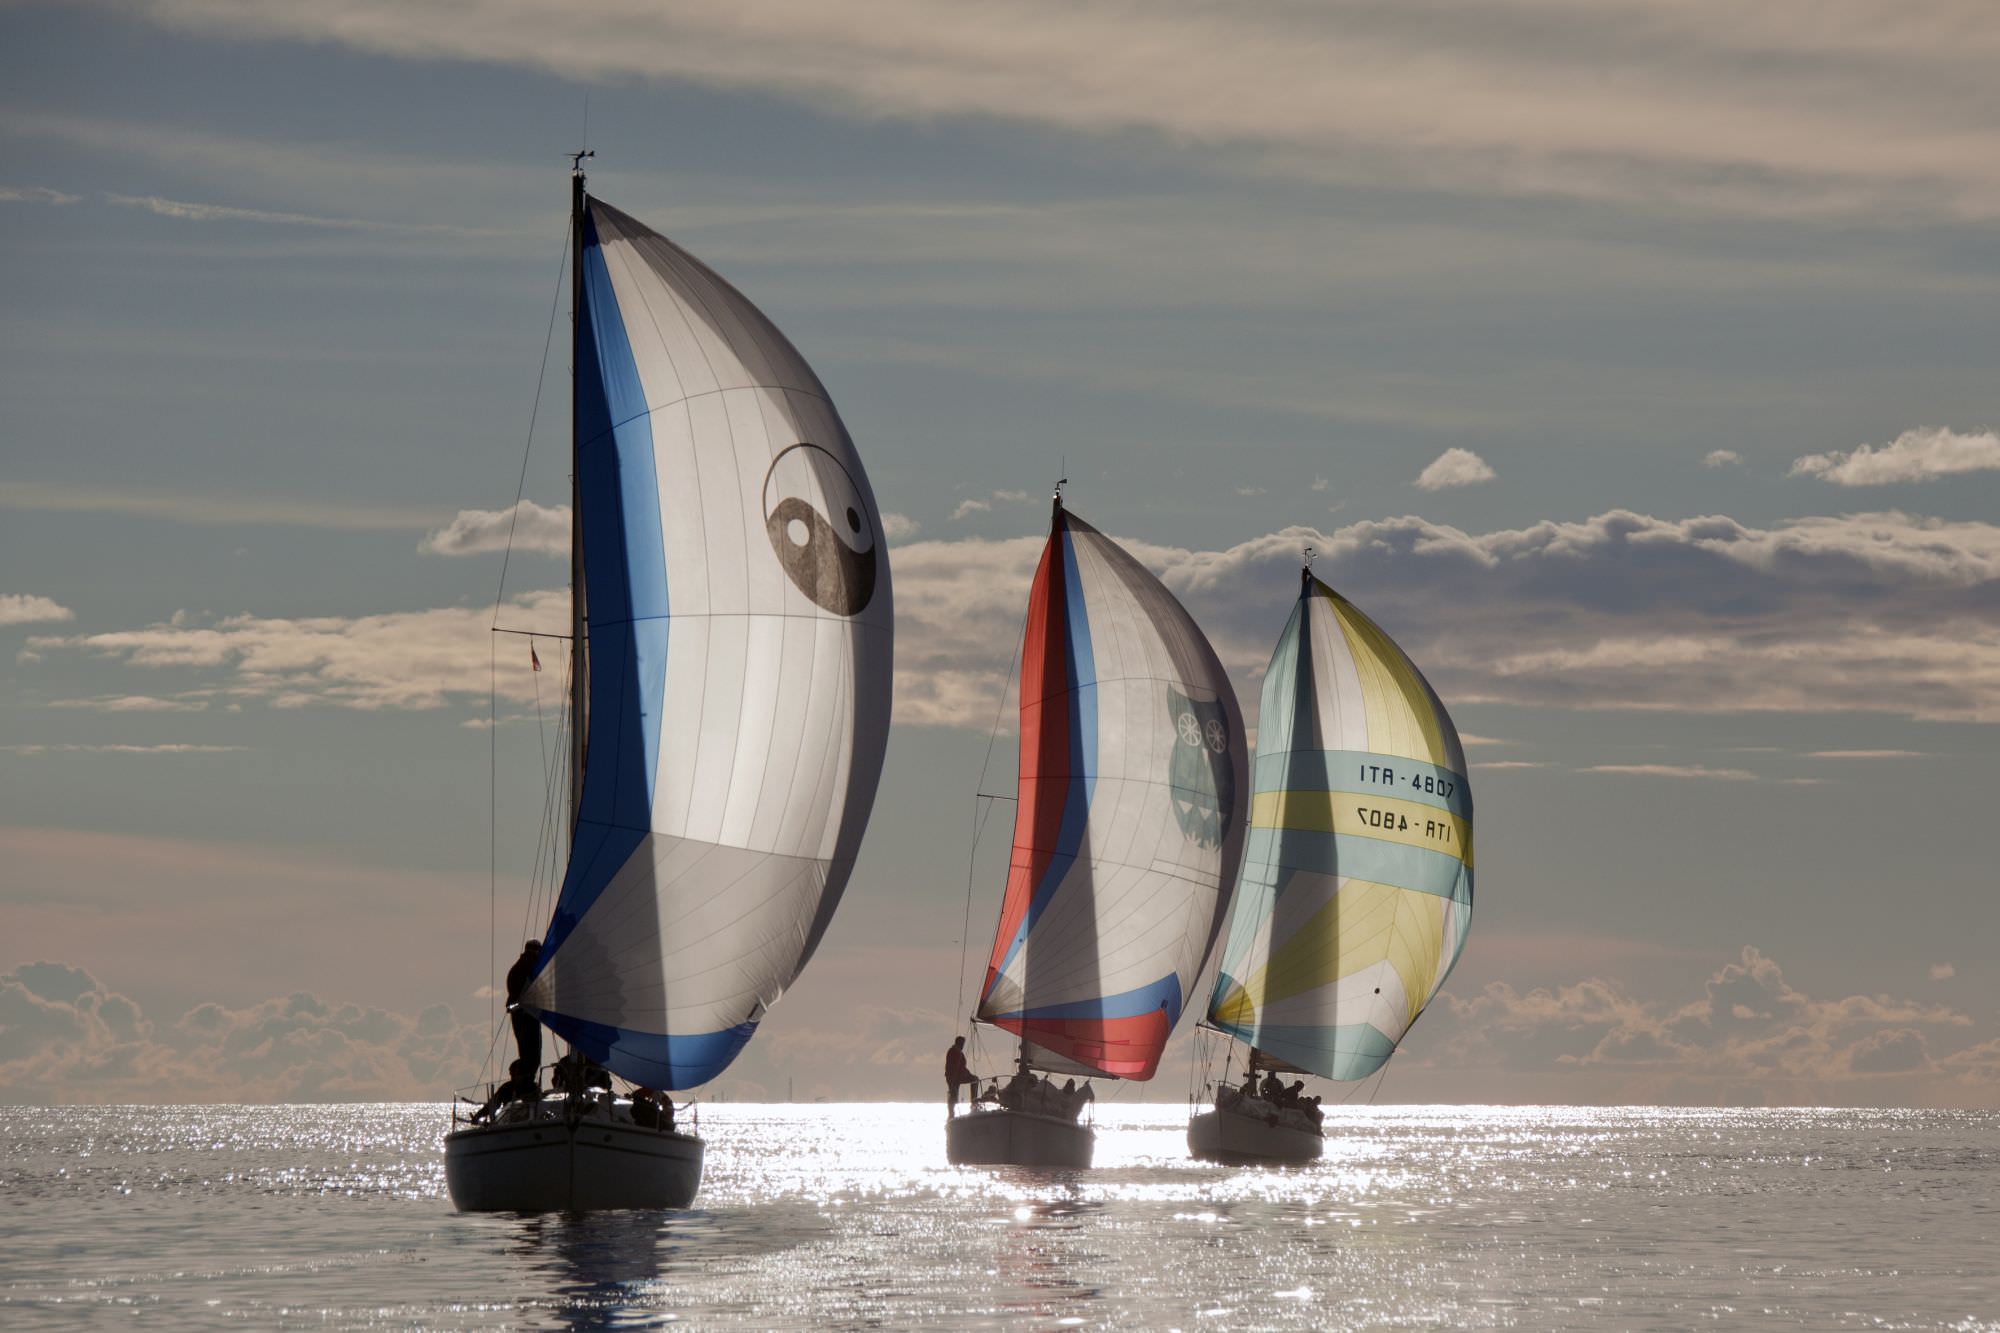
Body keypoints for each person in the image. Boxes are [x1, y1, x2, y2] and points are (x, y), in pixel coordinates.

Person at [505, 940, 542, 1073]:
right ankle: (526, 1080)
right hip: (527, 1013)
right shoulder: (531, 966)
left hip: (520, 1012)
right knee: (532, 1054)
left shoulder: (518, 967)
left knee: (526, 1051)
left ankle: (525, 1077)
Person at [471, 1057, 537, 1124]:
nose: (512, 1077)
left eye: (514, 1074)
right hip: (510, 1121)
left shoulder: (533, 1088)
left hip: (530, 1120)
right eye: (511, 1074)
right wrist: (478, 1116)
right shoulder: (507, 1088)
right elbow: (493, 1104)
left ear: (524, 1074)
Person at [944, 1036, 973, 1117]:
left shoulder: (958, 1052)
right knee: (953, 1094)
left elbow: (962, 1067)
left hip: (959, 1076)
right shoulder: (953, 1051)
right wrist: (952, 1080)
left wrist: (968, 1073)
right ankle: (951, 1115)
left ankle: (973, 1102)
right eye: (962, 1043)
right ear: (959, 1043)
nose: (963, 1045)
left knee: (975, 1079)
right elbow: (953, 1067)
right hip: (953, 1077)